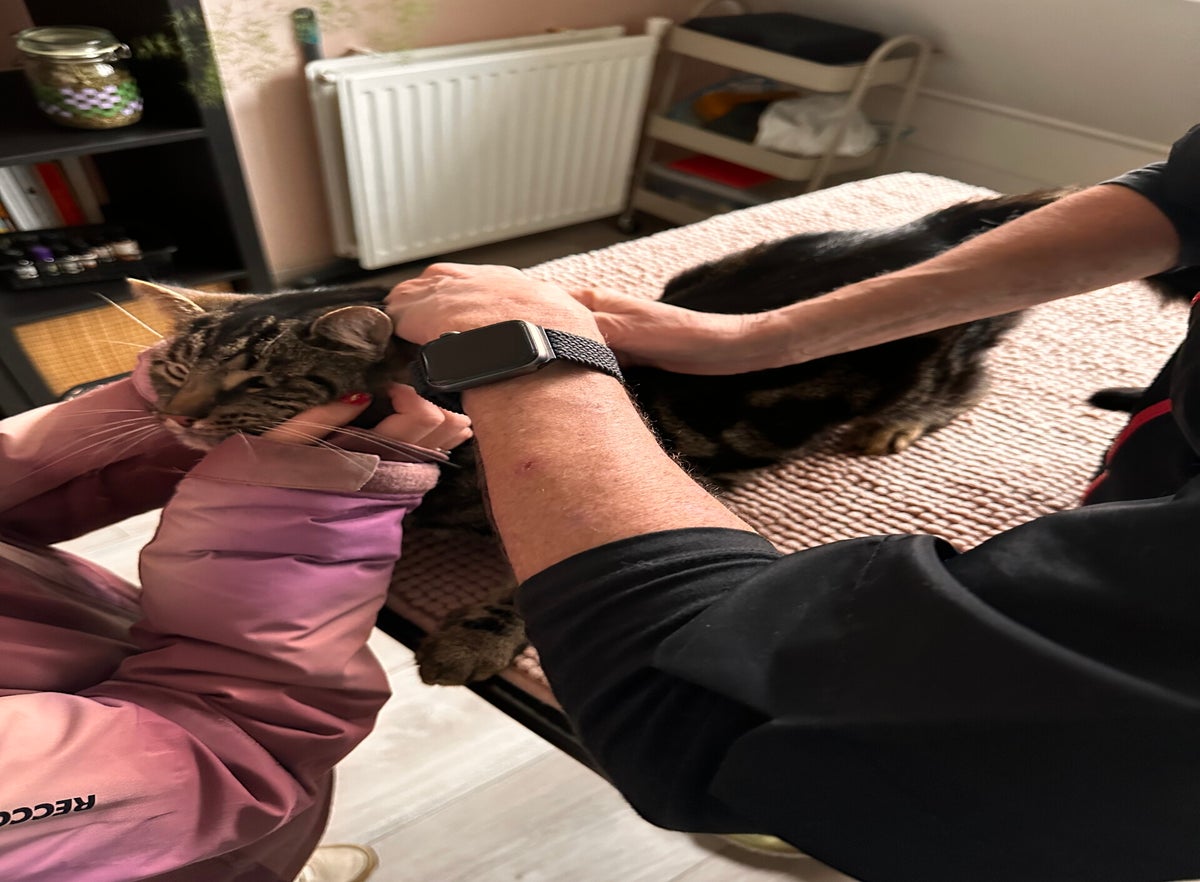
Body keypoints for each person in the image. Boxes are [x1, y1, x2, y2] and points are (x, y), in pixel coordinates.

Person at [384, 123, 1200, 882]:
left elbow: (720, 706)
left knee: (820, 784)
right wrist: (759, 337)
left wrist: (525, 354)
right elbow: (1184, 194)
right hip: (1159, 455)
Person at [0, 348, 471, 882]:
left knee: (251, 840)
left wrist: (174, 395)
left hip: (139, 802)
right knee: (229, 853)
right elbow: (225, 745)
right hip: (170, 832)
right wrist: (304, 499)